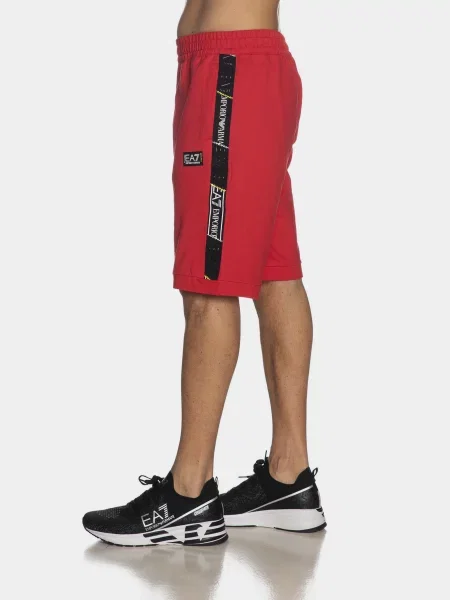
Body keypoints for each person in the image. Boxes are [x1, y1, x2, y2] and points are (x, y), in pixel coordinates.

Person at [83, 0, 326, 547]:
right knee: (274, 271)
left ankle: (188, 492)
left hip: (230, 71)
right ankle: (289, 478)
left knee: (209, 283)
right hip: (239, 66)